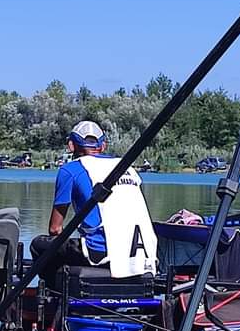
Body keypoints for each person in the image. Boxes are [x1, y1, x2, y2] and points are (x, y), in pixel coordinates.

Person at [31, 121, 157, 292]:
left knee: (38, 245)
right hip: (144, 255)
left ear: (71, 145)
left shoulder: (71, 170)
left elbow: (55, 229)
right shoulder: (128, 168)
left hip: (100, 253)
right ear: (103, 145)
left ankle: (55, 297)